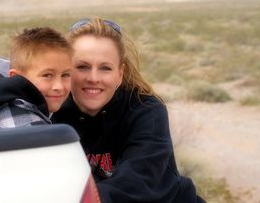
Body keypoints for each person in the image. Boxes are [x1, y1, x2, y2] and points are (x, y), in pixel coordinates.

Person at [51, 18, 205, 202]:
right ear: (67, 70)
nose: (93, 78)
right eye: (82, 67)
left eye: (105, 68)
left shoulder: (146, 110)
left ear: (119, 74)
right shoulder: (53, 112)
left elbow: (138, 179)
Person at [0, 27, 72, 129]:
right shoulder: (31, 129)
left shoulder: (3, 106)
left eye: (65, 75)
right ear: (16, 77)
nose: (59, 86)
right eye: (47, 75)